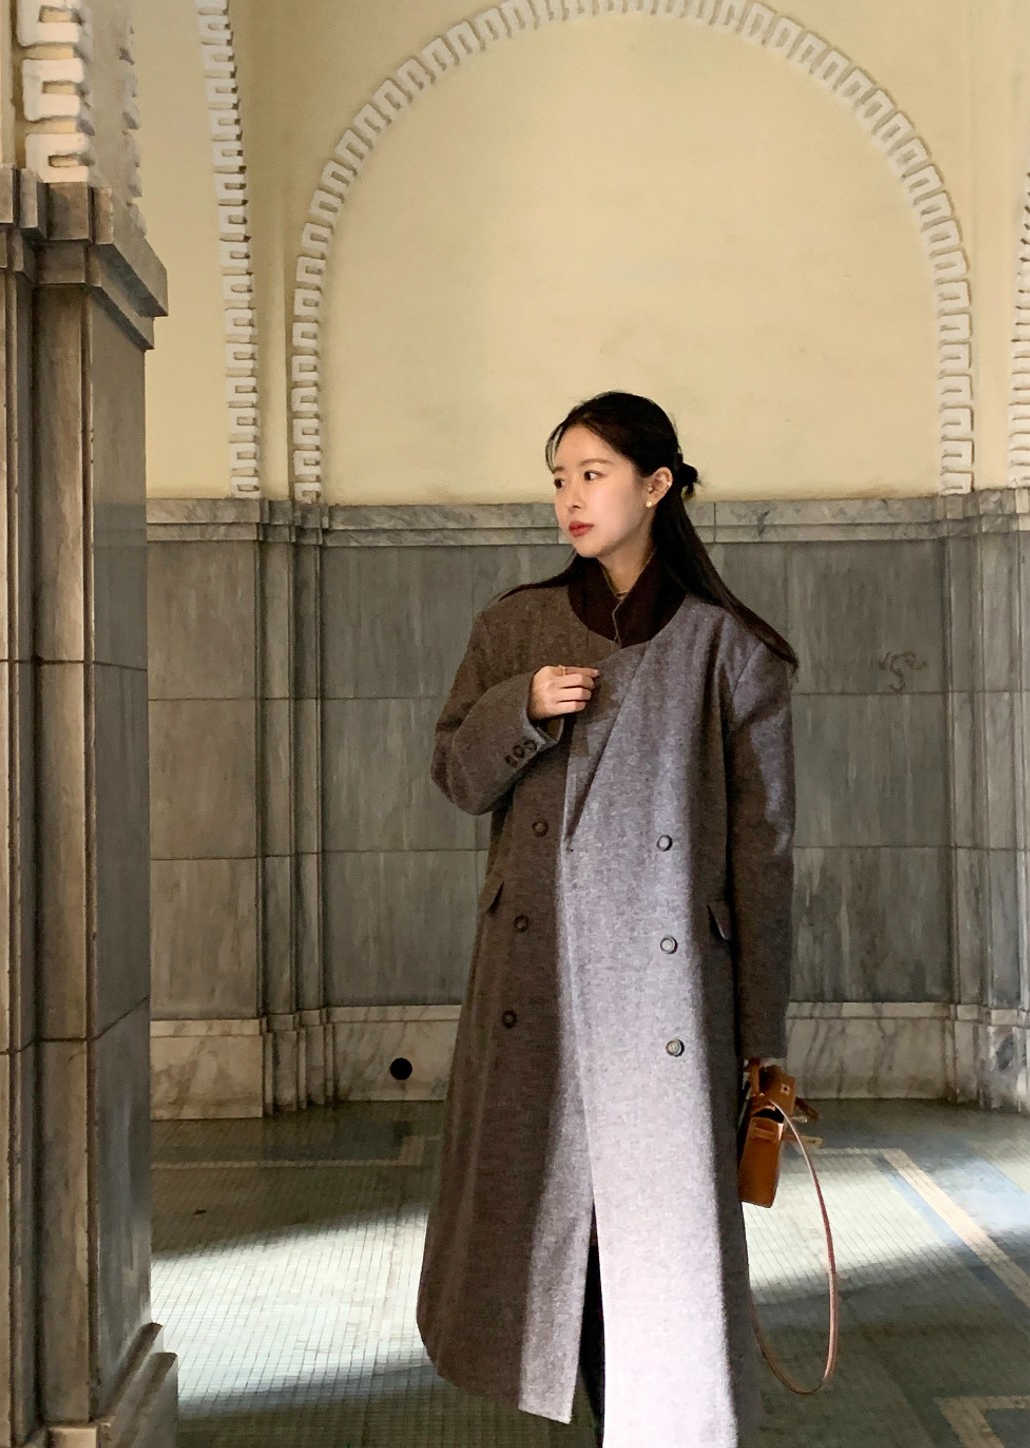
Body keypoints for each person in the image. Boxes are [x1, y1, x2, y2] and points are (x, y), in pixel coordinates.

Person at [416, 390, 797, 1447]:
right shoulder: (514, 625)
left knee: (655, 1262)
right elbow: (455, 775)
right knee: (553, 1246)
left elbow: (763, 859)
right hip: (535, 987)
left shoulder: (732, 649)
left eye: (592, 474)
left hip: (667, 1006)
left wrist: (762, 1044)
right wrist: (522, 707)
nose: (570, 498)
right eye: (559, 478)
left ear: (656, 484)